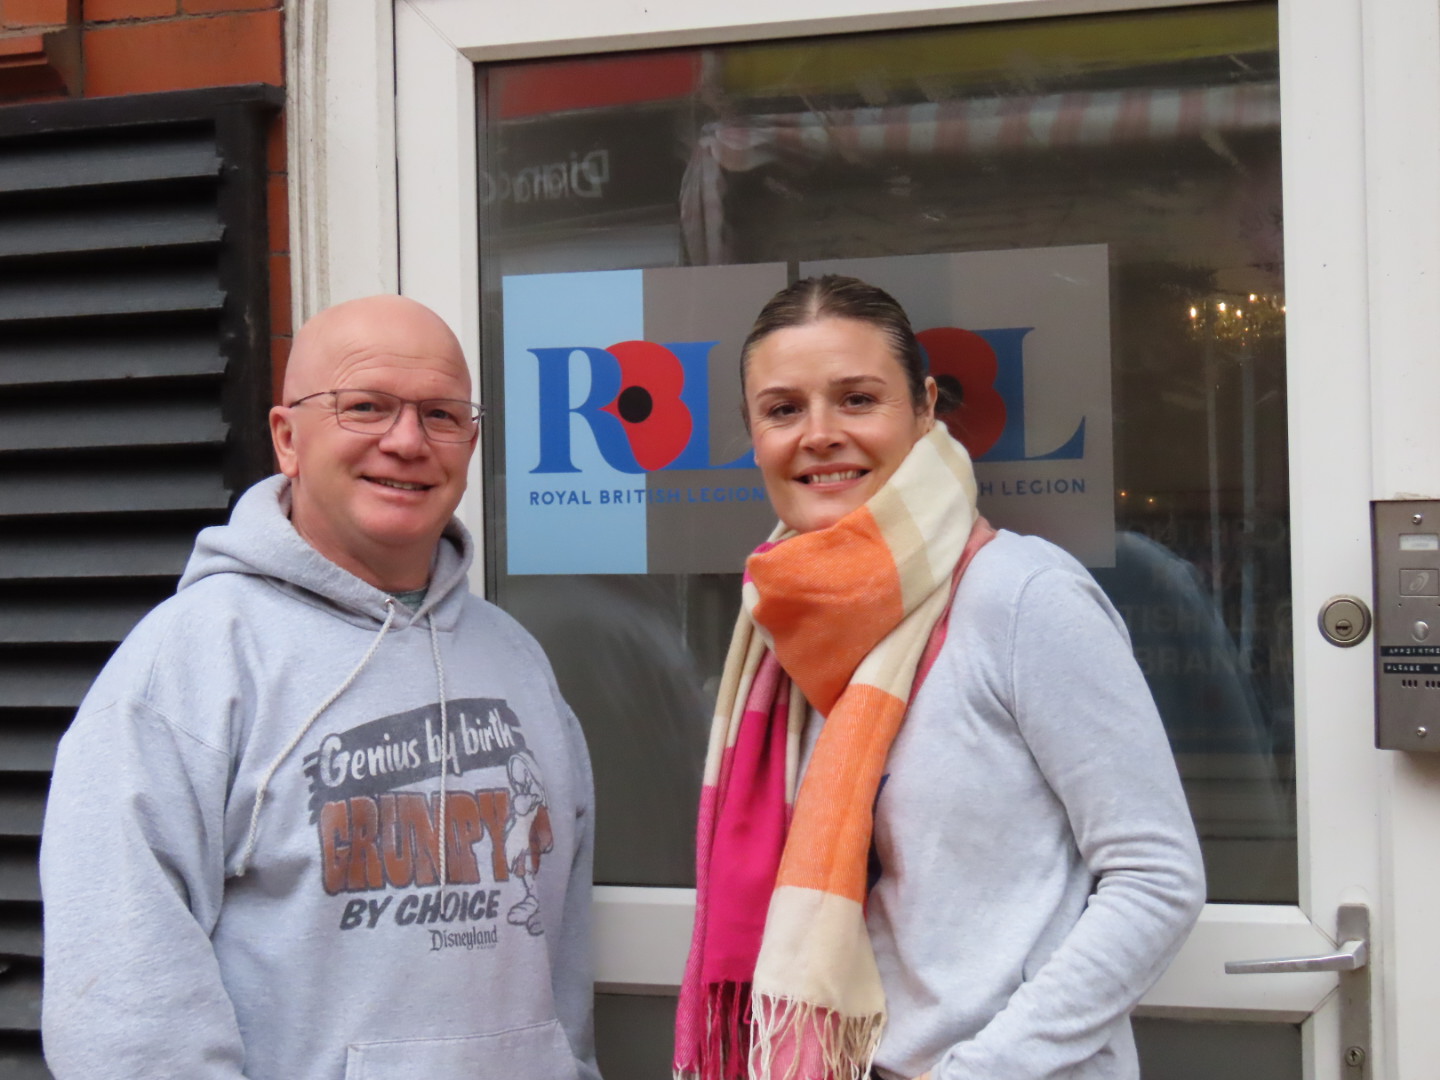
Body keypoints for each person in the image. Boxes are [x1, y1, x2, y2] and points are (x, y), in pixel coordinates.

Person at [40, 295, 600, 1080]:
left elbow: (563, 961)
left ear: (470, 444)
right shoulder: (188, 666)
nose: (407, 441)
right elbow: (124, 1011)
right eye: (366, 407)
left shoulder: (517, 663)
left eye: (441, 415)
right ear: (286, 439)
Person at [673, 276, 1205, 1080]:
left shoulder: (1021, 596)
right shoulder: (781, 628)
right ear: (753, 433)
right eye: (783, 409)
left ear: (924, 409)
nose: (820, 434)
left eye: (857, 399)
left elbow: (1157, 879)